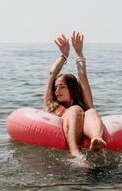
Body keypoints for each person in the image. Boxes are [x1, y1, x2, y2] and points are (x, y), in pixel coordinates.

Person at [43, 31, 106, 160]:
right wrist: (64, 55)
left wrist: (79, 53)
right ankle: (75, 153)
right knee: (75, 109)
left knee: (91, 110)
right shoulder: (52, 106)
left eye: (62, 87)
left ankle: (96, 139)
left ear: (72, 89)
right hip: (68, 126)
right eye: (56, 88)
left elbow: (82, 77)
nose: (57, 91)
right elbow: (51, 75)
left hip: (84, 123)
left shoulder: (84, 105)